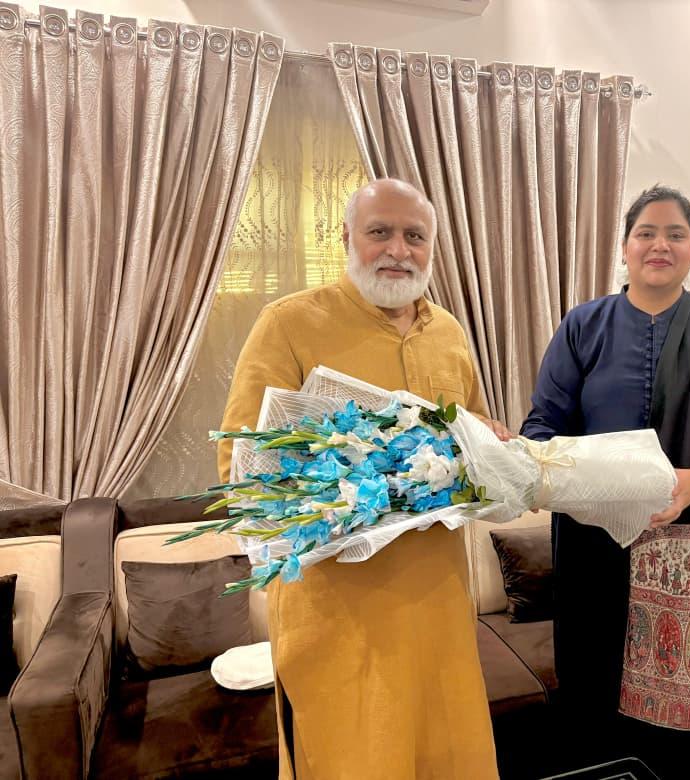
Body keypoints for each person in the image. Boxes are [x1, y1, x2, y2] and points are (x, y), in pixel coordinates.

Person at [220, 178, 507, 779]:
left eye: (415, 236)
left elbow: (475, 434)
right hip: (336, 616)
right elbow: (242, 465)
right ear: (346, 237)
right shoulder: (289, 323)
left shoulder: (449, 333)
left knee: (448, 757)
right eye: (380, 232)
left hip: (439, 603)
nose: (398, 250)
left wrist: (493, 449)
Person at [521, 185, 690, 778]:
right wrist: (534, 468)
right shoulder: (583, 326)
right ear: (624, 248)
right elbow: (544, 424)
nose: (659, 245)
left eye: (675, 234)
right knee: (597, 682)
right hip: (596, 540)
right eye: (646, 233)